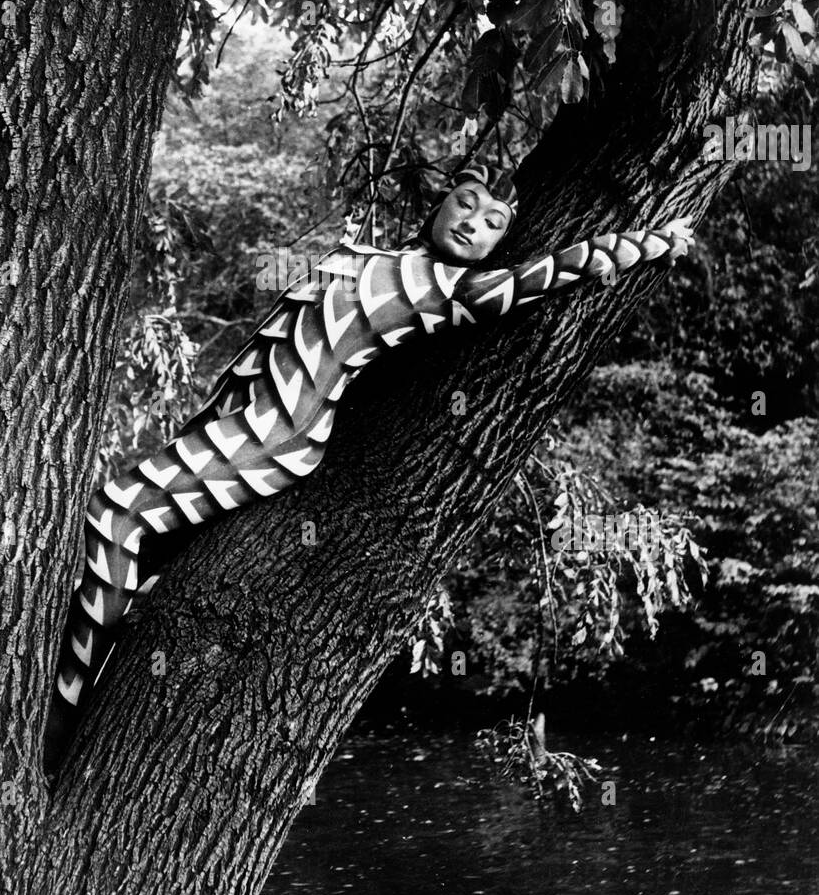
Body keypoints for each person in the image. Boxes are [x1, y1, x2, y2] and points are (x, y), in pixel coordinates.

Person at [43, 162, 693, 770]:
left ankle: (61, 722)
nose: (474, 221)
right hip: (233, 413)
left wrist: (656, 240)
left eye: (495, 223)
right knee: (140, 549)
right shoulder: (367, 256)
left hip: (279, 432)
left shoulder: (455, 293)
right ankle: (89, 679)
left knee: (115, 511)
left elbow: (555, 270)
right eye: (466, 204)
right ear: (439, 202)